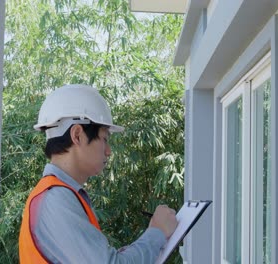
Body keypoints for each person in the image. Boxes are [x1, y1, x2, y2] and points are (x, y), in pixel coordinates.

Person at [19, 84, 178, 263]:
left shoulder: (59, 194)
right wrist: (157, 232)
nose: (108, 151)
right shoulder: (55, 198)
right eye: (104, 138)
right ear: (77, 135)